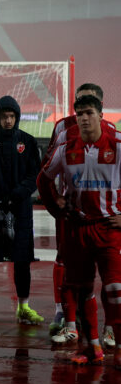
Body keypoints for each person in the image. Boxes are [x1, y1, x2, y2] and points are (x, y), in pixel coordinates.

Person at [37, 94, 121, 368]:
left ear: (100, 116)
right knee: (83, 290)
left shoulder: (118, 146)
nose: (84, 118)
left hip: (108, 228)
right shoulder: (65, 149)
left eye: (89, 113)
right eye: (80, 113)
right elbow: (43, 180)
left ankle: (118, 345)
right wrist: (56, 207)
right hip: (78, 229)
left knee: (115, 289)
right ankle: (92, 346)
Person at [0, 95, 43, 324]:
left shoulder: (28, 141)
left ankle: (24, 307)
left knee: (22, 259)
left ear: (17, 117)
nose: (7, 121)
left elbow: (35, 174)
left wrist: (17, 195)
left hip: (21, 210)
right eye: (4, 116)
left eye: (11, 116)